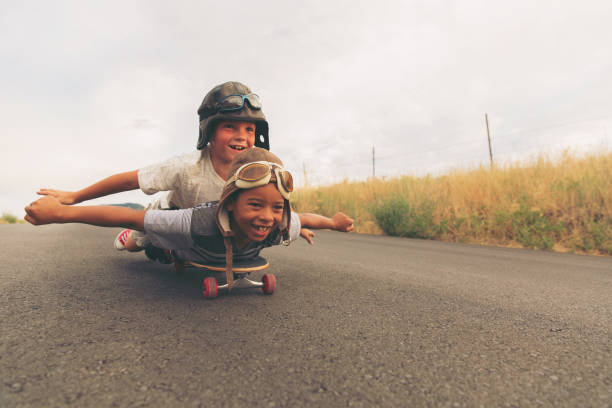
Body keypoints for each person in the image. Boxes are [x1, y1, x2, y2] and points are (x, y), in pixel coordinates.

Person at [36, 81, 353, 259]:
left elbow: (283, 208)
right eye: (230, 126)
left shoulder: (258, 172)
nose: (242, 136)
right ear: (209, 132)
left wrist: (289, 223)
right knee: (144, 237)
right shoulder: (184, 167)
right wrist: (72, 198)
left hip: (219, 226)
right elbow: (129, 180)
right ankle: (136, 240)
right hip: (176, 213)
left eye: (249, 129)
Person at [26, 148, 352, 289]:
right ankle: (141, 244)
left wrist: (334, 223)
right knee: (150, 242)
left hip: (215, 253)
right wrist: (61, 213)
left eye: (276, 207)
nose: (267, 217)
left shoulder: (281, 225)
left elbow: (306, 217)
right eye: (255, 205)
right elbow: (129, 215)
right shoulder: (198, 223)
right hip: (183, 238)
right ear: (231, 203)